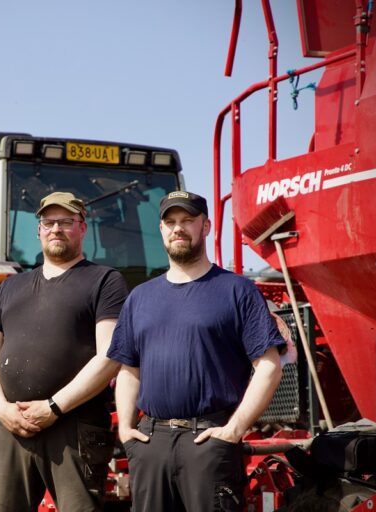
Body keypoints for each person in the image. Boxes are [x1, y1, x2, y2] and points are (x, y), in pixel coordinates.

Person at [107, 190, 285, 511]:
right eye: (170, 222)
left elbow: (269, 366)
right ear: (161, 229)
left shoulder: (237, 291)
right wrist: (126, 430)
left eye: (187, 220)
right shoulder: (140, 298)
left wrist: (234, 430)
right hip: (150, 443)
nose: (178, 228)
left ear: (206, 226)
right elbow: (129, 369)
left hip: (208, 442)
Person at [0, 191, 128, 511]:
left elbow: (109, 355)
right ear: (39, 230)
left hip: (74, 428)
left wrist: (54, 407)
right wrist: (2, 409)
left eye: (66, 222)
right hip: (10, 426)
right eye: (49, 222)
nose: (56, 229)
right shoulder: (10, 287)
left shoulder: (105, 281)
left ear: (82, 228)